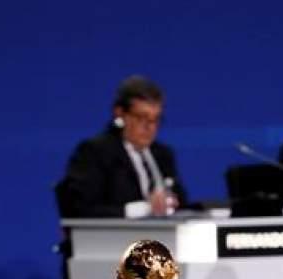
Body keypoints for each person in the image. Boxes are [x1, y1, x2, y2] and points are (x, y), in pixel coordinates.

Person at [55, 75, 188, 218]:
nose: (150, 127)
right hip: (108, 238)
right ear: (120, 114)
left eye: (155, 119)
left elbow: (181, 203)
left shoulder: (162, 154)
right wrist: (145, 208)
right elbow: (81, 209)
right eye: (141, 117)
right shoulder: (95, 152)